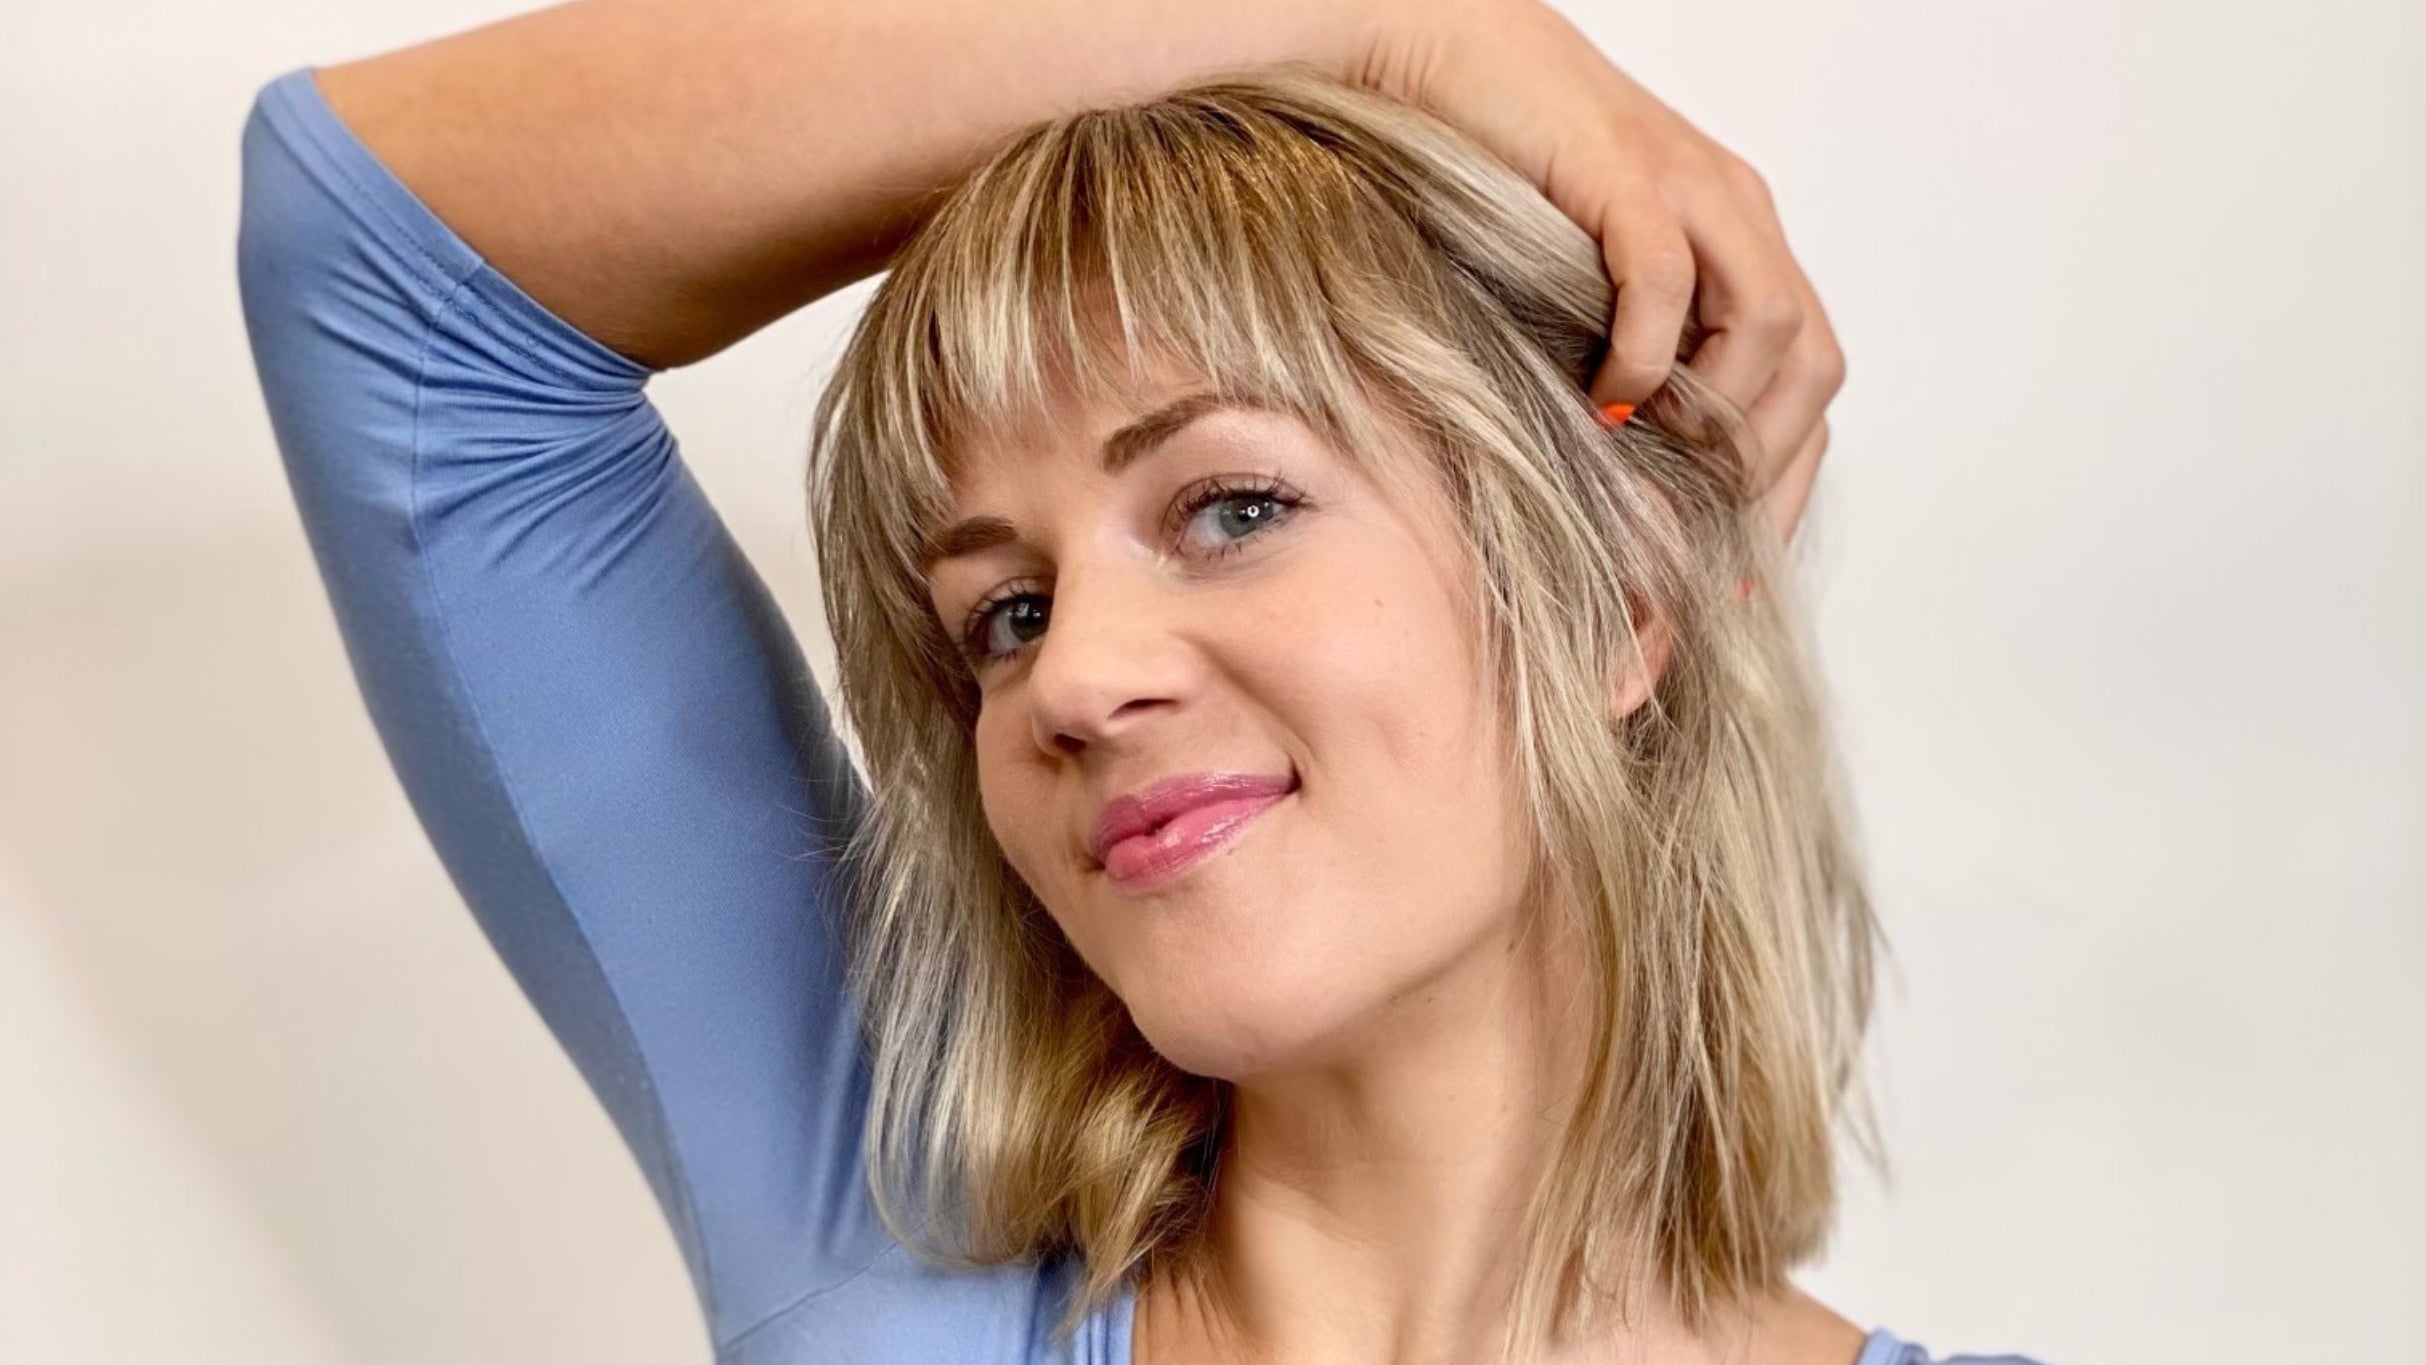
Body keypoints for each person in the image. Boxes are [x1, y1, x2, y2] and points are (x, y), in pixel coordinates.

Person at [235, 2, 2038, 1363]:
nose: (1075, 682)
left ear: (1617, 603)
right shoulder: (890, 1269)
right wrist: (1384, 26)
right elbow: (381, 260)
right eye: (1004, 613)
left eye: (1230, 507)